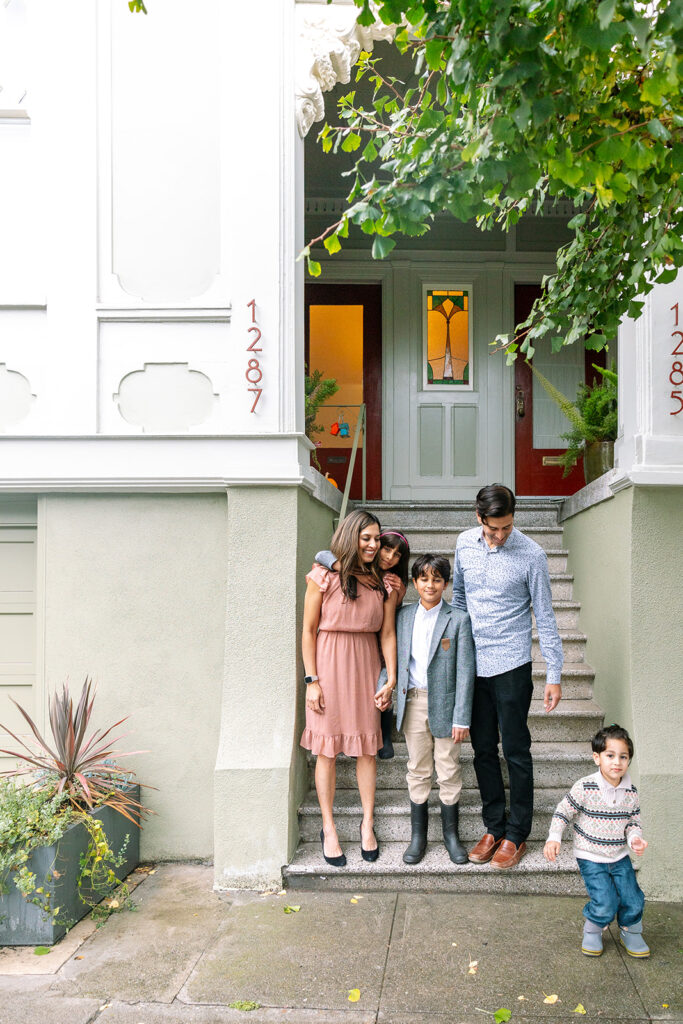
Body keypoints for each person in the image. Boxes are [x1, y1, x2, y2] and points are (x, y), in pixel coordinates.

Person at [452, 483, 563, 869]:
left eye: (508, 527)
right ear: (478, 517)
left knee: (515, 750)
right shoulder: (464, 543)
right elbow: (460, 601)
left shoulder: (531, 554)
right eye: (493, 528)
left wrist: (555, 672)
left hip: (513, 665)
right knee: (483, 750)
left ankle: (517, 834)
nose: (501, 536)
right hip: (473, 666)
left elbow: (545, 617)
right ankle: (493, 827)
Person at [301, 509, 398, 867]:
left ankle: (367, 824)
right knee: (326, 751)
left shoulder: (383, 582)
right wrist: (312, 680)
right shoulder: (323, 577)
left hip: (366, 664)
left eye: (377, 538)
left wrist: (391, 677)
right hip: (327, 664)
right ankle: (328, 828)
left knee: (367, 749)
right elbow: (308, 631)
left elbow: (387, 632)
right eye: (366, 538)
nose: (374, 545)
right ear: (351, 537)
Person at [377, 554, 475, 865]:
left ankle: (451, 836)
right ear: (415, 582)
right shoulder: (403, 616)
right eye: (423, 579)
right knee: (418, 768)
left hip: (446, 704)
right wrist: (386, 686)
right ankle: (418, 836)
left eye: (436, 579)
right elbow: (391, 657)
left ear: (445, 584)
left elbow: (465, 673)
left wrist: (462, 716)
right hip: (414, 700)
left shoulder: (458, 619)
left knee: (448, 767)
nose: (430, 585)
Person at [544, 724, 649, 958]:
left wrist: (635, 840)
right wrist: (554, 837)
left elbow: (633, 822)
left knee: (633, 896)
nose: (617, 762)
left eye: (623, 757)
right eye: (610, 755)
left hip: (619, 855)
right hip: (590, 855)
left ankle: (630, 929)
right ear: (597, 758)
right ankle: (593, 928)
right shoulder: (585, 786)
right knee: (605, 899)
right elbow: (563, 812)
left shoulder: (631, 791)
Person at [315, 528, 410, 759]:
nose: (389, 557)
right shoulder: (357, 569)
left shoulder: (392, 581)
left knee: (383, 683)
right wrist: (351, 570)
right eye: (387, 549)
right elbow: (321, 555)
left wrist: (400, 591)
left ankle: (383, 733)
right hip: (361, 638)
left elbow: (390, 621)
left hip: (381, 637)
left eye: (397, 555)